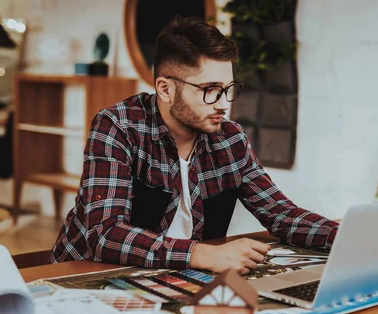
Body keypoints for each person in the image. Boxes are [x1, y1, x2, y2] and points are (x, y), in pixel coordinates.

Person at [49, 16, 339, 275]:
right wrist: (200, 253)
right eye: (210, 90)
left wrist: (346, 236)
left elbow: (280, 214)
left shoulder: (230, 138)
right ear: (165, 89)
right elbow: (104, 235)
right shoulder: (117, 126)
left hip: (174, 275)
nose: (224, 104)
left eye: (227, 89)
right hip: (88, 278)